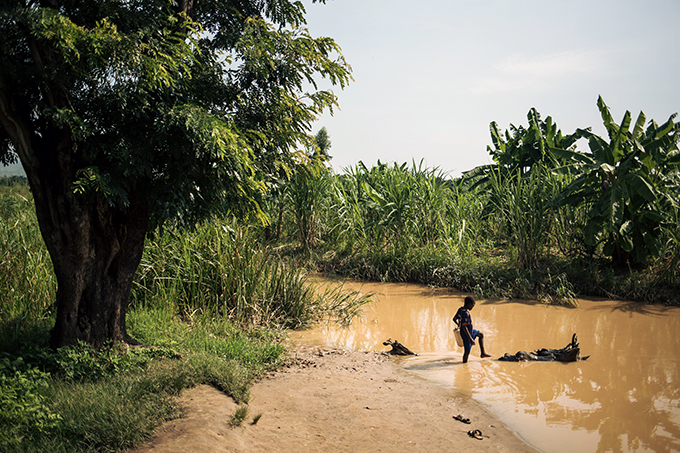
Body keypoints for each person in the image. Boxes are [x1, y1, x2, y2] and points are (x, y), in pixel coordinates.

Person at [453, 295, 491, 363]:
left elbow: (454, 319)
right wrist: (470, 339)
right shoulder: (466, 314)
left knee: (481, 335)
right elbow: (464, 327)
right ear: (469, 304)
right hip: (467, 334)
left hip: (470, 331)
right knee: (467, 352)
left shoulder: (460, 309)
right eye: (472, 306)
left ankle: (483, 353)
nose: (472, 307)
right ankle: (464, 364)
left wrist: (459, 324)